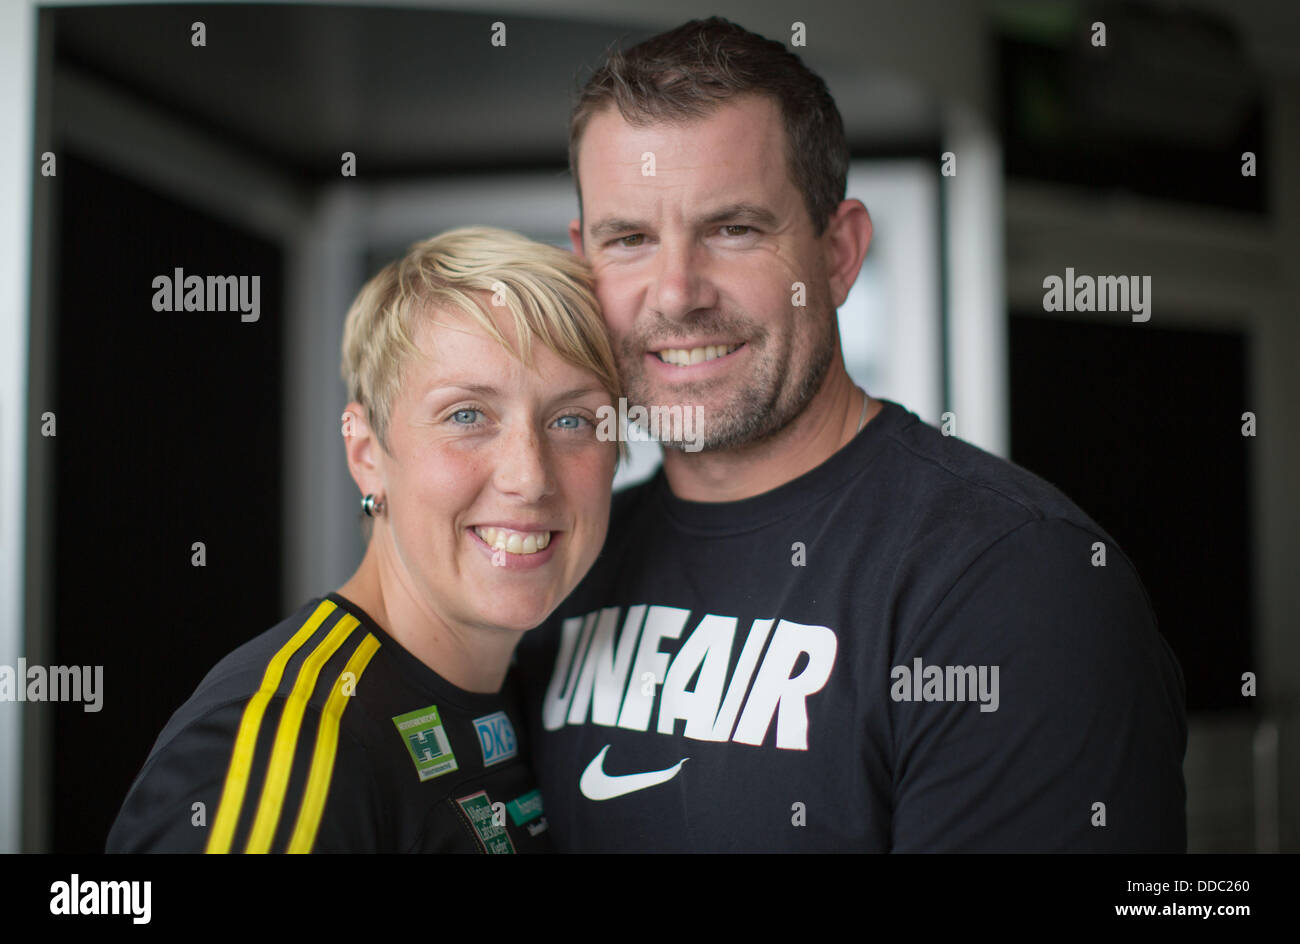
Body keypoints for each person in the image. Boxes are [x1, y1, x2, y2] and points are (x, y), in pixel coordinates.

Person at [512, 18, 1188, 851]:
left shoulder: (1017, 585)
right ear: (585, 264)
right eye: (631, 240)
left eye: (734, 229)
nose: (677, 293)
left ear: (838, 254)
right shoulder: (562, 566)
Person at [108, 226, 621, 853]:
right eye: (467, 415)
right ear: (367, 453)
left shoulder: (538, 695)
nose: (529, 477)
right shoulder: (290, 739)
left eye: (572, 419)